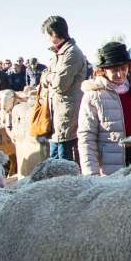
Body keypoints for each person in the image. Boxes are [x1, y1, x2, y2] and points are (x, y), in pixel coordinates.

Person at [77, 41, 131, 176]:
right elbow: (87, 137)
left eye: (123, 68)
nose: (120, 74)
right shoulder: (93, 96)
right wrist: (91, 174)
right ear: (103, 71)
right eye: (114, 70)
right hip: (114, 168)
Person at [40, 15, 87, 162]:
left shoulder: (72, 53)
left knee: (63, 160)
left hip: (67, 113)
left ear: (54, 33)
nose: (46, 38)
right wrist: (49, 76)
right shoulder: (58, 54)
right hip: (57, 113)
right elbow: (46, 77)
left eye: (47, 34)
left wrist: (47, 76)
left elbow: (60, 84)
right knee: (54, 159)